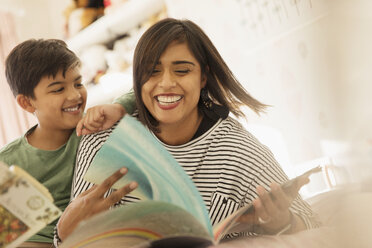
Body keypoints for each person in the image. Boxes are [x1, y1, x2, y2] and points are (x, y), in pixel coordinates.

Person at [55, 18, 320, 245]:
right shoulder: (102, 139)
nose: (166, 83)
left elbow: (311, 223)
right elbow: (71, 239)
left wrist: (281, 222)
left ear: (203, 77)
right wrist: (65, 233)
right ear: (138, 79)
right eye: (152, 72)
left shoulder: (238, 151)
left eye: (182, 71)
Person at [0, 39, 136, 247]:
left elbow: (143, 93)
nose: (74, 95)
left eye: (78, 84)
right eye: (57, 90)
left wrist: (118, 107)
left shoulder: (95, 129)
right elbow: (15, 237)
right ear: (27, 102)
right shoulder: (9, 162)